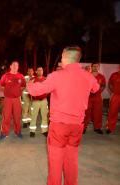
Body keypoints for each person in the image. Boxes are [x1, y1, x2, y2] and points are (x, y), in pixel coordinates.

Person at [27, 46, 99, 185]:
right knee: (71, 161)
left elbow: (37, 91)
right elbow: (95, 88)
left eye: (61, 58)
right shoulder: (87, 76)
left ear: (65, 59)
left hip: (59, 127)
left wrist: (30, 85)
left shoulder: (57, 76)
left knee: (56, 164)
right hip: (77, 126)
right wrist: (88, 76)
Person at [0, 61, 26, 139]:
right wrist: (8, 91)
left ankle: (18, 132)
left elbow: (23, 86)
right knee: (6, 116)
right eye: (14, 65)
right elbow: (1, 86)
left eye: (17, 65)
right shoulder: (5, 76)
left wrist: (17, 91)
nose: (15, 67)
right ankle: (4, 133)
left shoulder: (21, 76)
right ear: (10, 66)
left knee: (17, 116)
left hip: (17, 99)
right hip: (8, 99)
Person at [83, 62, 106, 134]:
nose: (95, 68)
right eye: (94, 66)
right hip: (88, 97)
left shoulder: (101, 76)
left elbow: (103, 85)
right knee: (86, 113)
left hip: (97, 97)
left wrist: (99, 92)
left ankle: (97, 127)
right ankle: (83, 127)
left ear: (98, 67)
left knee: (98, 112)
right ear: (91, 67)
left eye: (97, 66)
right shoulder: (87, 75)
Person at [29, 67, 49, 137]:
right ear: (36, 72)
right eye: (39, 70)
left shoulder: (46, 79)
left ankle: (44, 131)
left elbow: (48, 89)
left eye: (41, 70)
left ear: (43, 71)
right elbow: (29, 89)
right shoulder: (33, 79)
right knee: (33, 116)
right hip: (35, 101)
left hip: (44, 101)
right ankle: (32, 131)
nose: (40, 71)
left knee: (44, 116)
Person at [106, 64, 120, 134]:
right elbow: (110, 84)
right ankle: (110, 127)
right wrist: (113, 92)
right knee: (112, 111)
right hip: (116, 96)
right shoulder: (114, 75)